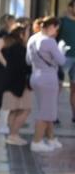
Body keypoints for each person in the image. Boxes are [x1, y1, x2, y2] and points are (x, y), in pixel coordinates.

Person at [27, 17, 65, 152]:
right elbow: (61, 61)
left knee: (47, 109)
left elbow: (28, 60)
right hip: (48, 78)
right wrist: (61, 49)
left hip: (35, 76)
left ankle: (51, 138)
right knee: (45, 113)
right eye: (56, 28)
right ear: (52, 27)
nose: (56, 32)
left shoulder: (32, 38)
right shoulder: (49, 41)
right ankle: (37, 141)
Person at [0, 26, 33, 146]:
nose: (29, 35)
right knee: (26, 109)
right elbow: (23, 67)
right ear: (21, 35)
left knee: (14, 110)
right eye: (27, 33)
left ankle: (12, 135)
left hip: (10, 85)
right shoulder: (20, 49)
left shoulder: (12, 47)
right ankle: (13, 135)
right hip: (18, 86)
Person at [58, 0, 75, 123]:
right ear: (70, 8)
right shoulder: (62, 21)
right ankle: (53, 115)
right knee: (57, 86)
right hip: (64, 57)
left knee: (74, 88)